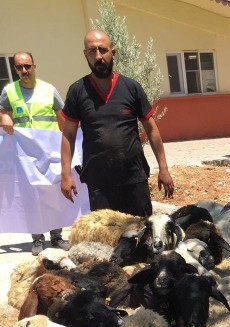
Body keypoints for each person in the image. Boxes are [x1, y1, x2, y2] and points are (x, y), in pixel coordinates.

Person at [60, 29, 174, 216]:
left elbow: (152, 129)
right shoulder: (77, 91)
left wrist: (163, 168)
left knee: (141, 234)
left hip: (134, 177)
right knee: (107, 239)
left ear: (113, 52)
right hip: (99, 182)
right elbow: (69, 134)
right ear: (85, 55)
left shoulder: (131, 88)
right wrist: (66, 174)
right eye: (92, 51)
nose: (98, 56)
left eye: (103, 50)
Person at [0, 51, 70, 255]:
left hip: (50, 153)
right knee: (31, 197)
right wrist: (4, 116)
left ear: (34, 66)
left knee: (53, 195)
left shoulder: (49, 90)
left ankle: (56, 237)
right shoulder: (9, 91)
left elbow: (64, 117)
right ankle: (37, 239)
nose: (24, 71)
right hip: (24, 156)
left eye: (27, 66)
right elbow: (2, 110)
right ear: (15, 69)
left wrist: (74, 141)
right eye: (20, 67)